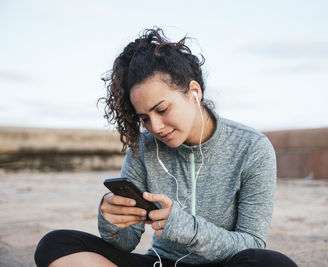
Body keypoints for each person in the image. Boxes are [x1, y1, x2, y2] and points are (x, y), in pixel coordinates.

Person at [35, 27, 297, 267]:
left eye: (161, 109)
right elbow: (125, 243)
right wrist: (112, 221)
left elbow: (251, 243)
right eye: (144, 118)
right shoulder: (143, 149)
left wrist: (186, 227)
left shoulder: (252, 148)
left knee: (272, 264)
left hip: (223, 264)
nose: (155, 127)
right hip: (160, 263)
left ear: (194, 92)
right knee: (56, 244)